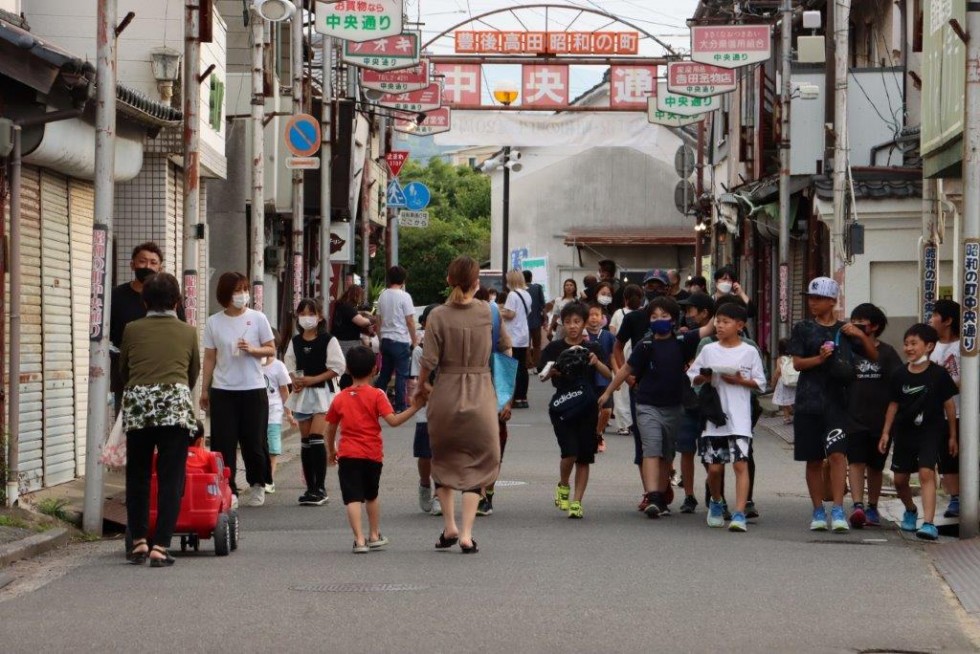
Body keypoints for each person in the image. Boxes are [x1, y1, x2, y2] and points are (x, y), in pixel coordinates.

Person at [415, 256, 511, 554]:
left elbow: (428, 361)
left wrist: (421, 386)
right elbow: (507, 348)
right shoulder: (489, 312)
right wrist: (504, 393)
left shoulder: (438, 316)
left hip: (446, 392)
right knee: (479, 460)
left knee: (443, 459)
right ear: (476, 283)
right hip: (481, 393)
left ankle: (449, 526)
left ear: (449, 280)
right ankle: (467, 533)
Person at [119, 272, 199, 567]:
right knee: (170, 477)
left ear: (144, 301)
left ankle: (139, 541)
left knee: (137, 475)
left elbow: (124, 370)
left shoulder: (131, 329)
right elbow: (192, 373)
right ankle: (161, 546)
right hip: (174, 406)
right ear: (177, 302)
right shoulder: (188, 332)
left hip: (139, 403)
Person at [788, 276, 877, 532]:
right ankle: (818, 510)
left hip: (839, 402)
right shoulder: (803, 328)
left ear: (831, 301)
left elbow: (873, 355)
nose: (812, 303)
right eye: (810, 298)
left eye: (817, 299)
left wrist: (859, 333)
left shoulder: (846, 330)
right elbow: (797, 364)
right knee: (814, 459)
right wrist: (820, 358)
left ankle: (838, 508)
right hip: (808, 401)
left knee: (838, 455)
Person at [600, 297, 702, 518]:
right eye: (654, 317)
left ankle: (662, 496)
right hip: (646, 405)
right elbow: (626, 369)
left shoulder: (683, 341)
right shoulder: (645, 345)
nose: (659, 321)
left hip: (674, 407)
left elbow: (709, 328)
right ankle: (652, 495)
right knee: (652, 448)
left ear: (673, 320)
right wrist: (608, 391)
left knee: (667, 453)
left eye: (664, 317)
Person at [326, 346, 423, 553]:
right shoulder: (377, 395)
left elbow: (330, 428)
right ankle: (374, 534)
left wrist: (331, 450)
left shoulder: (340, 398)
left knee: (352, 498)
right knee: (371, 495)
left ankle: (359, 540)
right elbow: (394, 421)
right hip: (372, 454)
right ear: (374, 369)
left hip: (348, 454)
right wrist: (414, 408)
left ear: (348, 370)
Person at [688, 302, 766, 532]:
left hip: (740, 419)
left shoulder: (749, 351)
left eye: (725, 322)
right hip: (714, 417)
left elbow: (761, 383)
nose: (719, 326)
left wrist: (740, 381)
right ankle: (716, 501)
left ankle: (740, 513)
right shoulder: (709, 350)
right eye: (717, 322)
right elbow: (693, 376)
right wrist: (704, 377)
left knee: (740, 464)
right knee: (714, 468)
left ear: (740, 325)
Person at [201, 272, 276, 507]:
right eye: (237, 291)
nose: (243, 295)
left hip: (253, 388)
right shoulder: (214, 322)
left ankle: (257, 484)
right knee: (223, 443)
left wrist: (253, 350)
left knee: (254, 441)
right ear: (225, 294)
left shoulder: (258, 318)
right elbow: (209, 358)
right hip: (223, 390)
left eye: (245, 290)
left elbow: (271, 349)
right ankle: (228, 488)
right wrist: (204, 389)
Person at [878, 324, 958, 541]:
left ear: (929, 346)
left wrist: (952, 435)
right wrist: (886, 433)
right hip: (904, 432)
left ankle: (929, 523)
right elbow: (893, 405)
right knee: (900, 480)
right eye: (906, 344)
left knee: (926, 472)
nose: (909, 348)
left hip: (931, 431)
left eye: (914, 343)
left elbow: (949, 405)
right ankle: (911, 510)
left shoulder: (939, 374)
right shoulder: (899, 374)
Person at [539, 301, 612, 519]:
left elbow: (609, 374)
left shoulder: (593, 348)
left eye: (577, 322)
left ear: (584, 323)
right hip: (563, 405)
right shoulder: (554, 348)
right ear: (562, 322)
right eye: (568, 322)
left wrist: (596, 362)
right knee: (569, 453)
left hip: (588, 407)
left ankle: (577, 502)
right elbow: (542, 375)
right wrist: (553, 371)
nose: (572, 326)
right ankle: (563, 485)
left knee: (584, 456)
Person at [110, 242, 184, 414]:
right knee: (127, 430)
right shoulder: (116, 295)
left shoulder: (170, 297)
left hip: (164, 375)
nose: (147, 266)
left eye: (153, 262)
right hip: (126, 377)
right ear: (132, 264)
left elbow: (181, 329)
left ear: (160, 267)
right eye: (142, 261)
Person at [845, 304, 902, 528]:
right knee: (856, 462)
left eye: (862, 320)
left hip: (880, 419)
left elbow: (897, 384)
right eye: (854, 319)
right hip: (853, 417)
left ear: (875, 326)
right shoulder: (848, 349)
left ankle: (873, 506)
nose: (857, 323)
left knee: (876, 466)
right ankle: (858, 505)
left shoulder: (888, 353)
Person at [284, 298, 346, 506]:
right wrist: (295, 379)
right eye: (303, 314)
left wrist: (313, 379)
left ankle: (320, 488)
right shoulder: (295, 342)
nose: (306, 318)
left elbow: (337, 367)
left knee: (316, 437)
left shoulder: (328, 340)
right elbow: (290, 364)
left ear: (319, 317)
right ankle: (310, 488)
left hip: (323, 394)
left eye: (311, 314)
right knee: (305, 442)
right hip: (303, 396)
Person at [675, 292, 717, 513]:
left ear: (705, 313)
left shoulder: (716, 338)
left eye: (691, 310)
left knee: (710, 451)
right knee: (686, 449)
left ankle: (714, 494)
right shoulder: (687, 337)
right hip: (687, 399)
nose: (687, 315)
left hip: (709, 402)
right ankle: (689, 495)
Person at [928, 299, 962, 519]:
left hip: (961, 412)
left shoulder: (964, 346)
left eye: (934, 315)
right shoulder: (931, 346)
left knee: (963, 455)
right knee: (946, 457)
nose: (931, 319)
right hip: (937, 414)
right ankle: (955, 498)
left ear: (948, 320)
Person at [374, 265, 417, 412]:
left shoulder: (383, 295)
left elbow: (378, 319)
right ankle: (400, 406)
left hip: (386, 339)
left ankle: (374, 404)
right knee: (401, 374)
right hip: (400, 340)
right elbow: (410, 321)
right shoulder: (405, 296)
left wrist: (380, 339)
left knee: (385, 374)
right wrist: (415, 341)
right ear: (403, 280)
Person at [410, 304, 438, 514]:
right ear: (424, 323)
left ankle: (439, 494)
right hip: (425, 411)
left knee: (442, 454)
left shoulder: (450, 348)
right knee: (425, 455)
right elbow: (419, 383)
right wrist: (437, 395)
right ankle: (424, 485)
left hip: (447, 410)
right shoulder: (420, 350)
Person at [609, 284, 643, 436]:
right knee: (633, 389)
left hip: (621, 355)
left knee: (621, 391)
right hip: (634, 355)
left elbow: (613, 334)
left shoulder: (618, 313)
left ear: (625, 298)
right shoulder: (644, 315)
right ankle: (635, 423)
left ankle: (624, 424)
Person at [262, 337, 294, 494]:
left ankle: (269, 479)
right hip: (255, 414)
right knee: (259, 447)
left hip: (274, 413)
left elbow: (284, 390)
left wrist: (288, 413)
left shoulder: (278, 366)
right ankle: (261, 477)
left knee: (273, 449)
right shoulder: (252, 364)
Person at [586, 303, 617, 453]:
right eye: (590, 315)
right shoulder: (583, 335)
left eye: (596, 315)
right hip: (587, 377)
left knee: (607, 410)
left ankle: (598, 433)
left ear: (602, 318)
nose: (593, 318)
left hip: (604, 376)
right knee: (590, 410)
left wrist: (616, 375)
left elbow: (612, 357)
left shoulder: (608, 336)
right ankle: (590, 436)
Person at [332, 285, 376, 389]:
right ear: (356, 295)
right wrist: (372, 320)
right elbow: (361, 322)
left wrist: (362, 313)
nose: (361, 299)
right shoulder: (347, 307)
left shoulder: (340, 305)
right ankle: (349, 389)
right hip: (348, 343)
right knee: (350, 369)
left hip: (341, 341)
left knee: (347, 369)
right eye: (360, 296)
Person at [501, 269, 532, 409]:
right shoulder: (527, 294)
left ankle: (515, 397)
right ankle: (522, 397)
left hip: (513, 334)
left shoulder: (513, 295)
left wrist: (499, 311)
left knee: (513, 367)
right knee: (522, 367)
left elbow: (510, 314)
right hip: (524, 333)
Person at [523, 270, 547, 370]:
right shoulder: (537, 288)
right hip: (536, 320)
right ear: (531, 278)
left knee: (526, 344)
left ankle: (528, 364)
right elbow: (543, 305)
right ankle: (537, 365)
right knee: (537, 344)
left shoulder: (519, 290)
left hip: (523, 322)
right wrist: (545, 319)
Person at [771, 338, 796, 425]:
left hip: (784, 382)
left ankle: (787, 417)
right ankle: (793, 414)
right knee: (793, 398)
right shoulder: (794, 357)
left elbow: (778, 371)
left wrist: (773, 382)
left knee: (785, 401)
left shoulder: (781, 359)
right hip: (793, 380)